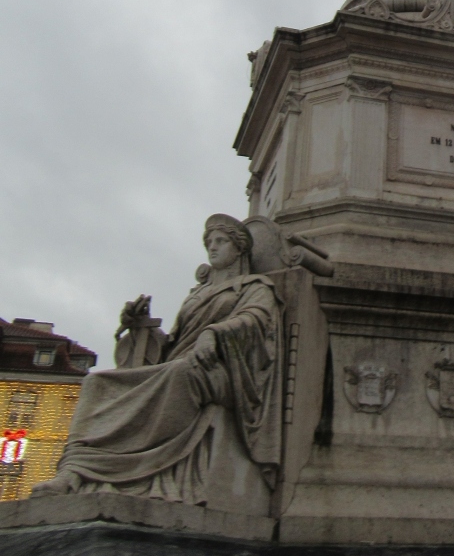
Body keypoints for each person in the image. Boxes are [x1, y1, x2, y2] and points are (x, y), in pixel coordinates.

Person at [32, 214, 283, 505]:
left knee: (179, 372)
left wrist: (214, 334)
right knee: (96, 382)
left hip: (223, 371)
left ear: (239, 249)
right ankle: (73, 470)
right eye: (209, 242)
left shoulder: (255, 288)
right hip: (181, 363)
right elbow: (172, 344)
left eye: (221, 241)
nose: (212, 248)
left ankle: (127, 471)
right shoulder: (197, 295)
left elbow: (256, 320)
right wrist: (141, 326)